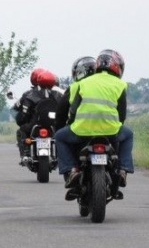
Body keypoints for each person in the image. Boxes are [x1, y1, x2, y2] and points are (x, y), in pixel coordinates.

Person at [55, 49, 134, 192]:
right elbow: (122, 115)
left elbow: (72, 110)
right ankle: (123, 169)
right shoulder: (120, 85)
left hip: (81, 131)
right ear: (118, 67)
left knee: (59, 137)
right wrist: (114, 125)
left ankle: (71, 170)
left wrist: (72, 124)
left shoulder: (82, 83)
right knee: (128, 135)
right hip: (110, 132)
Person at [14, 68, 49, 162]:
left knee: (21, 130)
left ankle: (25, 154)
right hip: (51, 124)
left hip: (34, 124)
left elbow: (17, 107)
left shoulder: (28, 94)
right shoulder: (53, 93)